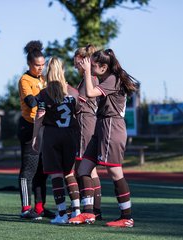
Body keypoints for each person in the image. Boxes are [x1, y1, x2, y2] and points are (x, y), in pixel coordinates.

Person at [68, 49, 138, 228]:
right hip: (101, 126)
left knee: (115, 172)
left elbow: (90, 94)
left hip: (111, 127)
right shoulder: (107, 78)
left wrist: (87, 73)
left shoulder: (112, 79)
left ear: (104, 67)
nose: (88, 66)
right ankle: (88, 212)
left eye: (93, 64)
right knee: (83, 168)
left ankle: (127, 217)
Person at [32, 57, 78, 224]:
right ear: (63, 71)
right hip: (71, 135)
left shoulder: (44, 93)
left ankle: (62, 214)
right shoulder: (73, 92)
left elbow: (39, 117)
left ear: (48, 72)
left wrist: (35, 136)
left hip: (52, 135)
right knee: (70, 173)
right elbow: (80, 114)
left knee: (56, 174)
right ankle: (77, 212)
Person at [17, 40, 54, 220]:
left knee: (42, 171)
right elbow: (31, 102)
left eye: (43, 65)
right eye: (37, 65)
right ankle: (25, 208)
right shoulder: (25, 79)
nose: (41, 68)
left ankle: (40, 208)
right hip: (29, 127)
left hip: (43, 127)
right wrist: (48, 96)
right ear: (29, 64)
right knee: (28, 171)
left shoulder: (43, 79)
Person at [73, 44, 102, 220]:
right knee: (91, 169)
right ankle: (94, 210)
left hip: (86, 122)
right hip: (88, 122)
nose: (75, 65)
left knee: (83, 166)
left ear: (84, 60)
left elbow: (80, 104)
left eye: (76, 61)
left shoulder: (89, 77)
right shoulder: (88, 78)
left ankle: (89, 210)